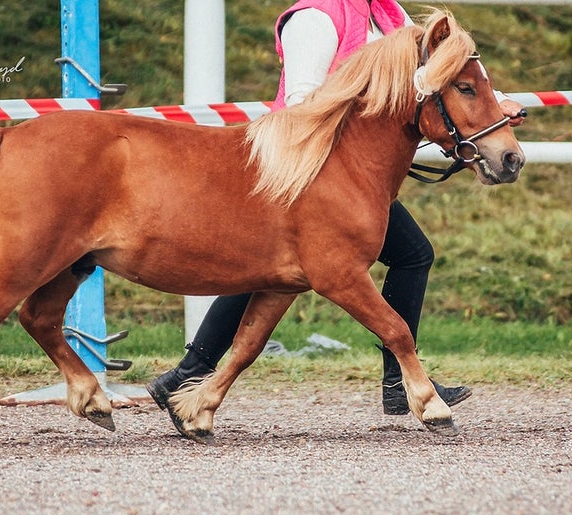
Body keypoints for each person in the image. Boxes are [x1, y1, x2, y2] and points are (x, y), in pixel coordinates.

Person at [148, 0, 526, 418]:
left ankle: (189, 374)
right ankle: (189, 374)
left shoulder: (388, 13)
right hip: (301, 166)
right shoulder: (314, 18)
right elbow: (300, 101)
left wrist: (498, 105)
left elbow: (443, 70)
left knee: (408, 255)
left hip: (351, 171)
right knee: (264, 267)